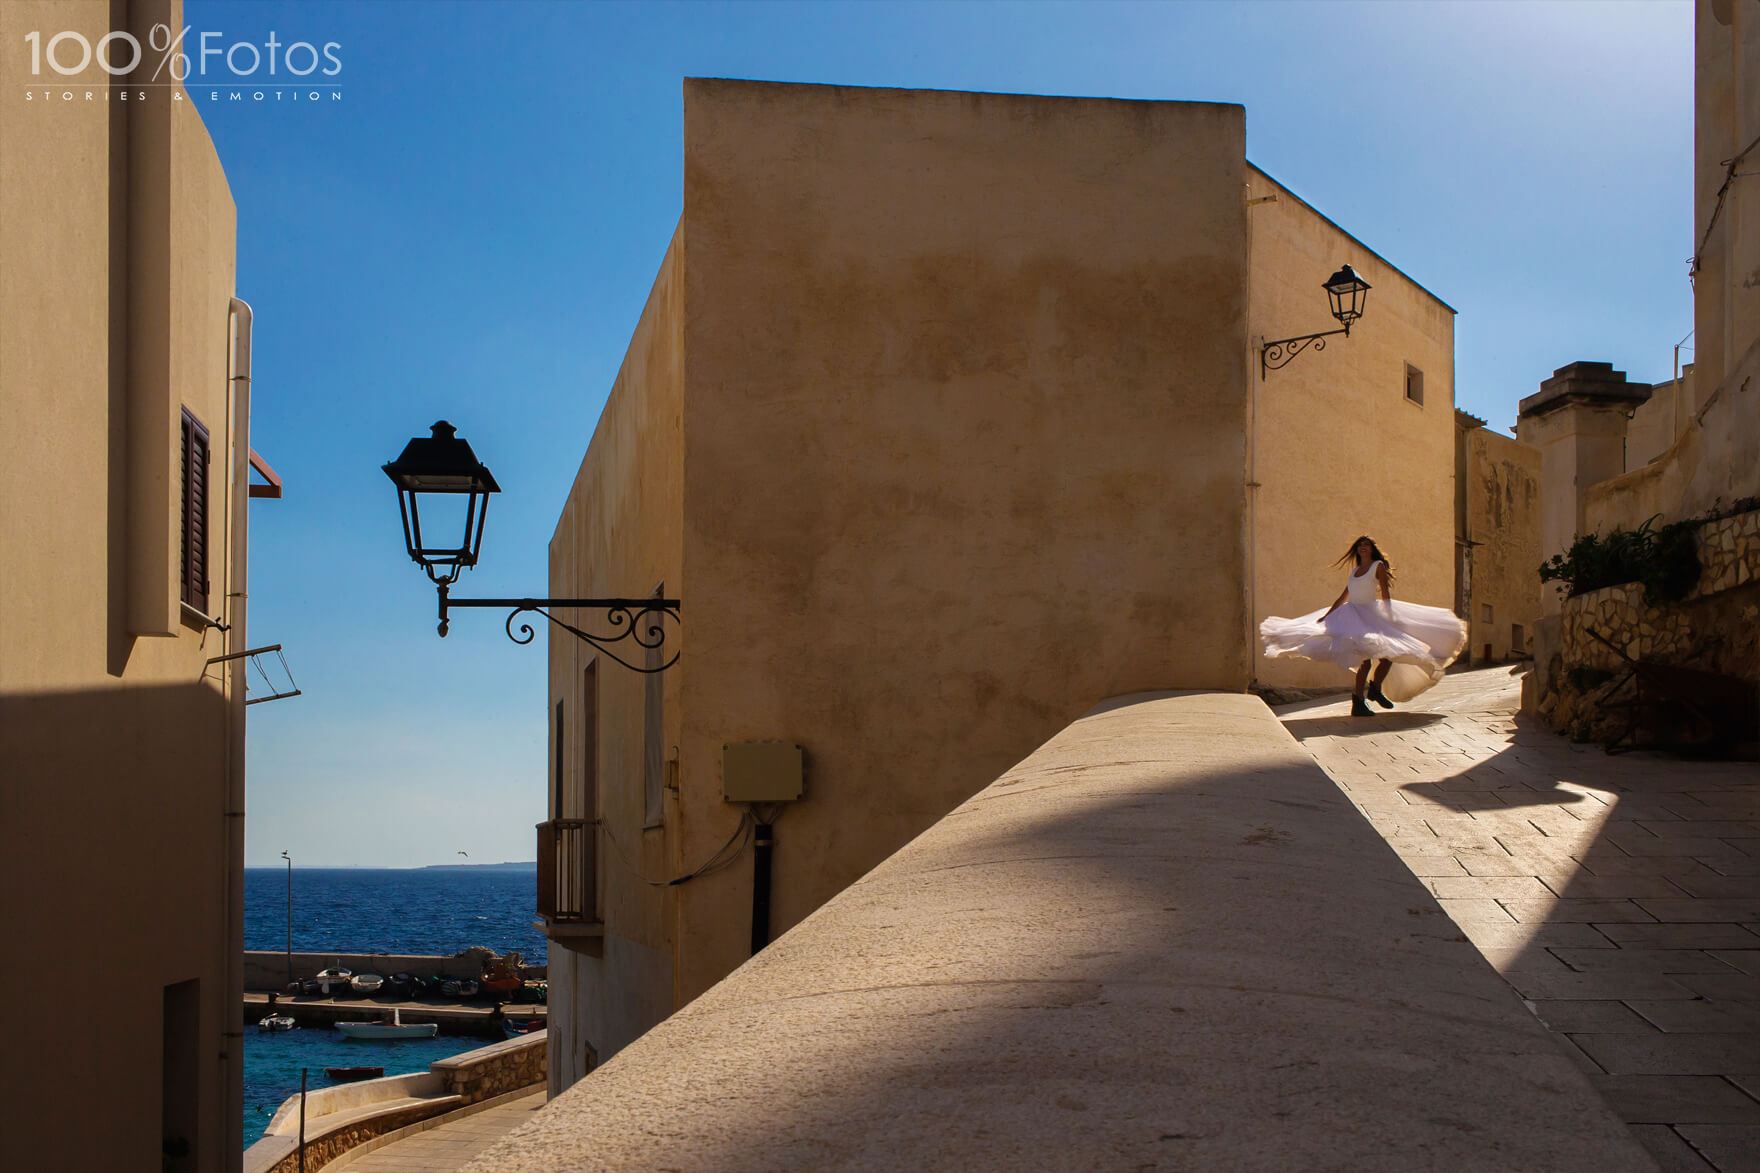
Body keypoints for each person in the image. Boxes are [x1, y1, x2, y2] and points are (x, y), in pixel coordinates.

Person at [1259, 536, 1468, 718]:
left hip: (1372, 614)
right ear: (1357, 550)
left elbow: (1385, 592)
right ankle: (1359, 701)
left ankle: (1375, 688)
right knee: (1364, 662)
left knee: (1389, 655)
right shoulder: (1355, 570)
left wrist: (1389, 614)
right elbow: (1344, 596)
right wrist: (1327, 616)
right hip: (1352, 615)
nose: (1363, 547)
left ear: (1372, 548)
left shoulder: (1378, 566)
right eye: (1360, 545)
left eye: (1366, 544)